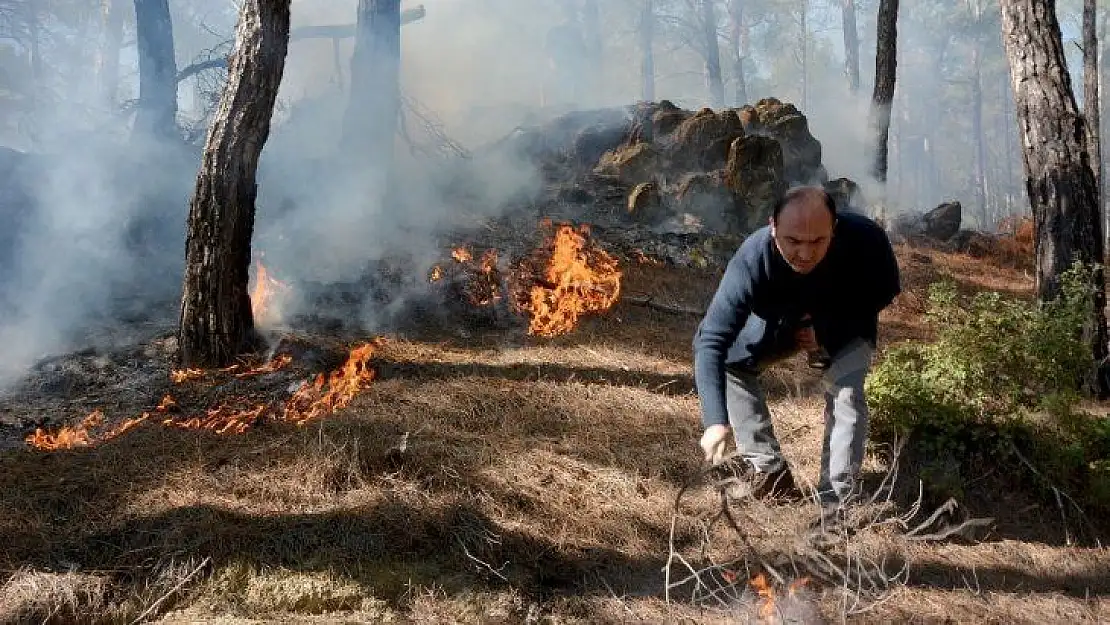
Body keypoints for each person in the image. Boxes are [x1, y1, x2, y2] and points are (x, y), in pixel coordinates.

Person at [692, 185, 901, 518]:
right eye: (794, 241)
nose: (805, 253)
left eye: (818, 241)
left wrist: (828, 329)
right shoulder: (753, 257)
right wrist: (715, 421)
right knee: (733, 366)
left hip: (845, 319)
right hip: (780, 321)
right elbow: (711, 339)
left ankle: (837, 503)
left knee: (846, 393)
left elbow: (884, 291)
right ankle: (770, 474)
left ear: (835, 228)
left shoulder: (866, 240)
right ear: (773, 226)